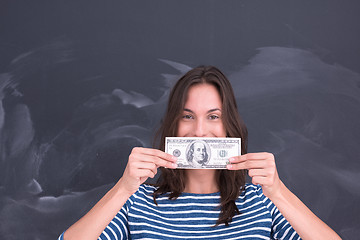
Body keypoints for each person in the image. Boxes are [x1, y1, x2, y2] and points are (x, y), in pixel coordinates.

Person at [59, 66, 341, 239]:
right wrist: (122, 189)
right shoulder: (137, 202)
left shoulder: (262, 202)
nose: (200, 131)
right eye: (188, 116)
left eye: (214, 116)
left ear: (230, 126)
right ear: (173, 124)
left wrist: (279, 192)